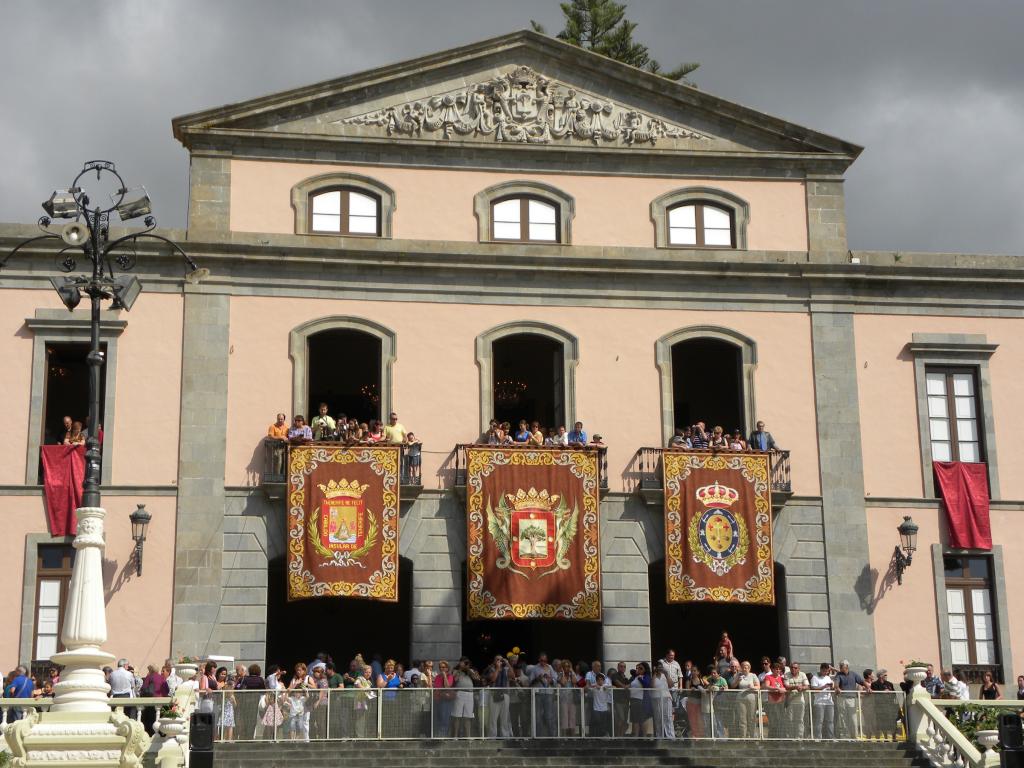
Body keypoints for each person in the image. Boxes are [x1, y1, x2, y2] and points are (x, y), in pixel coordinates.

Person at [834, 660, 869, 738]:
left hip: (852, 699)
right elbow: (836, 683)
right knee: (842, 717)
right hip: (841, 698)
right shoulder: (838, 675)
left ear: (846, 666)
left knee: (853, 718)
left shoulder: (853, 674)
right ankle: (844, 736)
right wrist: (837, 688)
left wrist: (868, 687)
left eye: (841, 665)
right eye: (840, 665)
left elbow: (862, 681)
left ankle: (854, 736)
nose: (840, 667)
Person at [450, 657, 480, 737]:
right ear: (460, 663)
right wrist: (460, 669)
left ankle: (468, 736)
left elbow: (476, 678)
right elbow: (455, 679)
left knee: (468, 716)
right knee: (457, 715)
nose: (465, 664)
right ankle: (455, 736)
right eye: (464, 662)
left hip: (470, 694)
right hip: (459, 693)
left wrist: (468, 669)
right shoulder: (456, 670)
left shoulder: (470, 671)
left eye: (466, 663)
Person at [529, 652, 557, 737]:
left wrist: (550, 680)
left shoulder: (550, 667)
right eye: (542, 660)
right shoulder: (534, 668)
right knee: (538, 716)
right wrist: (537, 679)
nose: (543, 662)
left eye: (545, 660)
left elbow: (555, 680)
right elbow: (530, 682)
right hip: (538, 694)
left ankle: (552, 736)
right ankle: (538, 736)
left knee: (549, 716)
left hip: (548, 694)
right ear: (539, 660)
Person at [485, 654, 512, 737]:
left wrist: (508, 664)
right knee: (493, 717)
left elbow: (513, 676)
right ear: (494, 661)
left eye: (501, 660)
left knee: (505, 717)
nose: (500, 661)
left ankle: (505, 735)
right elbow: (493, 679)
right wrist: (497, 668)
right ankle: (492, 736)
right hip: (494, 694)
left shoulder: (506, 669)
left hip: (505, 694)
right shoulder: (491, 669)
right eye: (498, 660)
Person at [732, 660, 760, 738]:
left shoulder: (753, 675)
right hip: (740, 699)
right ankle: (743, 737)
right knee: (742, 718)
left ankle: (752, 736)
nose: (744, 669)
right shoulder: (738, 675)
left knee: (751, 717)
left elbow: (759, 687)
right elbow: (733, 686)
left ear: (749, 668)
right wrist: (738, 681)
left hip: (752, 698)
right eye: (743, 667)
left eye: (746, 667)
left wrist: (753, 687)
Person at [139, 663, 169, 736]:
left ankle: (151, 735)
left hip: (151, 703)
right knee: (160, 720)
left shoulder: (149, 677)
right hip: (161, 703)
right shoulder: (162, 678)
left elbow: (143, 689)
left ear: (150, 670)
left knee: (150, 721)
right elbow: (167, 690)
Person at [783, 660, 809, 738]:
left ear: (798, 669)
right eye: (792, 667)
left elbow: (807, 686)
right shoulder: (786, 674)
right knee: (790, 720)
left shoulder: (803, 674)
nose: (793, 669)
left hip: (800, 701)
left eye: (795, 668)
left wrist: (802, 687)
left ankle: (799, 737)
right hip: (790, 701)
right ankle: (790, 737)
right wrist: (796, 687)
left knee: (800, 720)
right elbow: (786, 686)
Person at [871, 669, 898, 740]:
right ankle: (885, 738)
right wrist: (883, 692)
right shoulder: (874, 684)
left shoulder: (889, 684)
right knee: (882, 723)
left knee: (892, 722)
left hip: (890, 706)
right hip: (880, 707)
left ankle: (894, 737)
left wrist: (890, 692)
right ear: (880, 676)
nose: (886, 676)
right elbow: (874, 694)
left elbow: (894, 694)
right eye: (885, 675)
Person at [810, 663, 835, 740]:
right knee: (819, 721)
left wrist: (832, 688)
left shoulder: (828, 677)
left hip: (829, 702)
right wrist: (824, 687)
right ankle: (818, 738)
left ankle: (830, 738)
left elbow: (832, 687)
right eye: (824, 671)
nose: (825, 673)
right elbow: (813, 690)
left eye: (827, 671)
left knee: (830, 721)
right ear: (820, 669)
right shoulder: (815, 678)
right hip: (819, 702)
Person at [607, 661, 630, 738]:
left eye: (624, 667)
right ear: (618, 667)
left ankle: (621, 735)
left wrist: (627, 686)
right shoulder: (615, 675)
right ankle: (617, 736)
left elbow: (629, 685)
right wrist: (624, 686)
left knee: (625, 721)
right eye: (621, 666)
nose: (622, 668)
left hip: (626, 701)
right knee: (620, 719)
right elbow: (617, 682)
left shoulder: (625, 677)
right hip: (618, 701)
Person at [652, 663, 675, 738]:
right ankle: (659, 737)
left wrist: (666, 674)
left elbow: (671, 685)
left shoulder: (665, 675)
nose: (659, 669)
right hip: (656, 698)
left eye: (661, 667)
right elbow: (652, 686)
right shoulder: (654, 676)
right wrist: (655, 673)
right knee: (658, 718)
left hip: (666, 698)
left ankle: (671, 736)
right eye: (658, 668)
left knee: (668, 717)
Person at [433, 660, 455, 738]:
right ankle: (439, 735)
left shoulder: (450, 676)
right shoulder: (437, 677)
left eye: (443, 667)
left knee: (445, 717)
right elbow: (435, 687)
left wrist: (445, 676)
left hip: (445, 700)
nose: (441, 669)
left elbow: (447, 687)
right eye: (440, 667)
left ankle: (444, 735)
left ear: (447, 668)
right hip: (437, 700)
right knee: (438, 717)